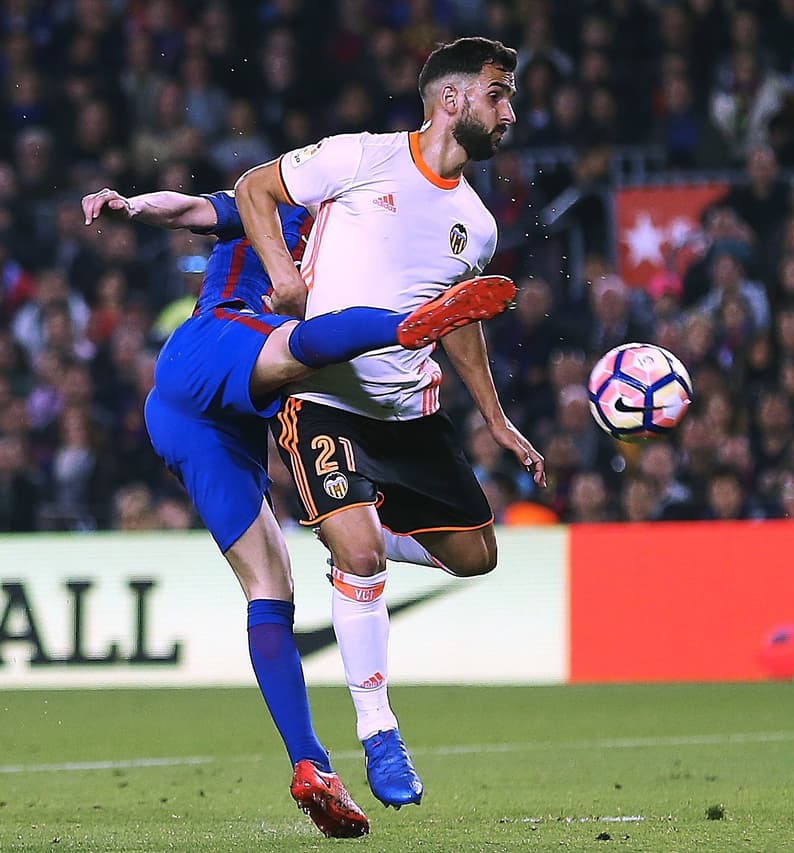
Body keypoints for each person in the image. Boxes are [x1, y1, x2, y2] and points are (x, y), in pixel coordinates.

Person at [81, 185, 514, 836]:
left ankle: (311, 765)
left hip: (195, 419)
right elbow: (194, 209)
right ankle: (412, 325)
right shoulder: (278, 208)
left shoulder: (365, 253)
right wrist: (134, 208)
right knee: (303, 346)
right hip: (211, 346)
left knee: (269, 586)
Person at [234, 36, 545, 811]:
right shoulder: (359, 158)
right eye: (498, 94)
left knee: (477, 557)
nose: (509, 111)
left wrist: (496, 417)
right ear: (451, 100)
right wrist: (282, 274)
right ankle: (378, 726)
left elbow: (458, 317)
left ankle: (349, 528)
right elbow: (251, 189)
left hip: (411, 413)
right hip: (324, 397)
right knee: (363, 549)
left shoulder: (476, 223)